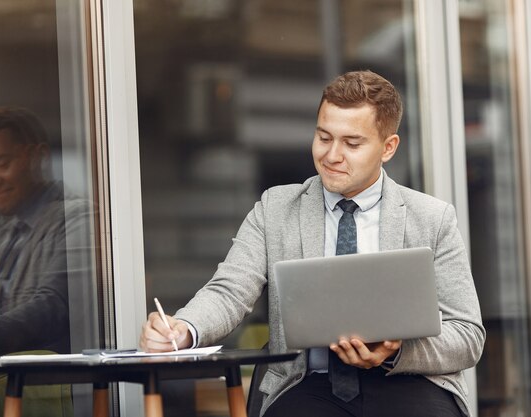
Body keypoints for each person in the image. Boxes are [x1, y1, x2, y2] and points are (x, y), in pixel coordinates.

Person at [140, 70, 485, 417]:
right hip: (308, 386)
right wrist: (183, 329)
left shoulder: (432, 218)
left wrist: (396, 352)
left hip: (409, 382)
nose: (332, 155)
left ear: (388, 148)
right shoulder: (275, 209)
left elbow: (467, 336)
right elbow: (229, 291)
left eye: (352, 143)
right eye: (323, 137)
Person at [0, 106, 92, 355]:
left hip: (54, 384)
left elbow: (54, 308)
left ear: (39, 156)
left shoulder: (80, 218)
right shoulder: (3, 232)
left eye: (2, 163)